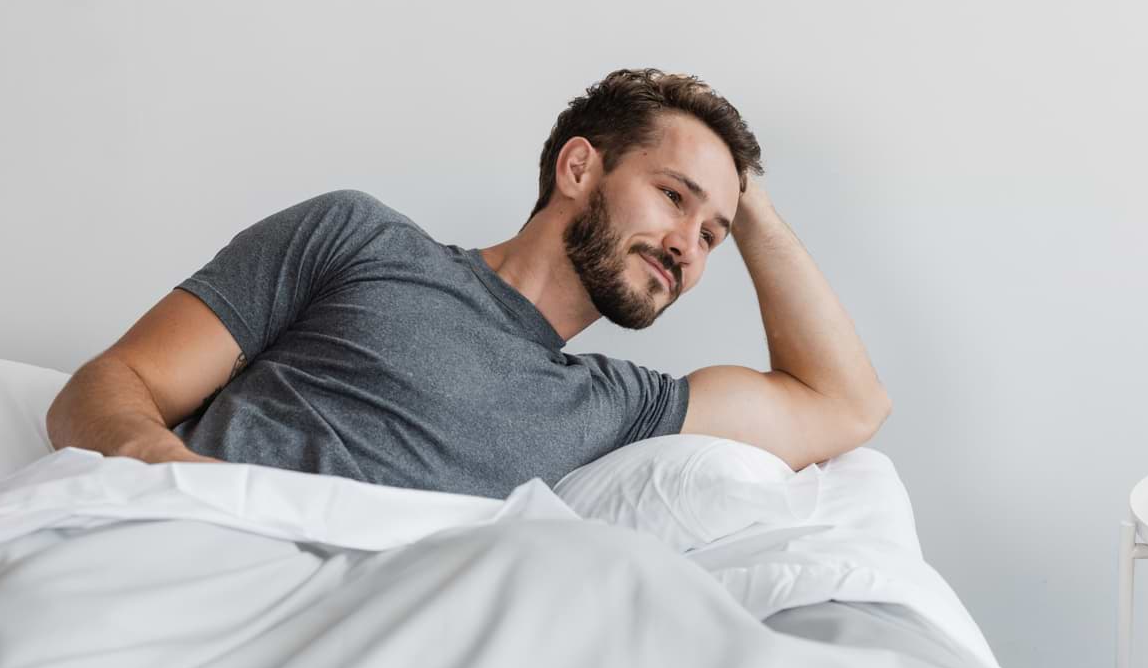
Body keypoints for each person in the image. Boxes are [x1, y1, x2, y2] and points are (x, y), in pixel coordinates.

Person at [47, 68, 891, 498]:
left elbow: (847, 406)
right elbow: (109, 385)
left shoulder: (618, 408)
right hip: (181, 556)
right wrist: (171, 478)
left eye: (712, 235)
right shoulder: (358, 238)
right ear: (577, 167)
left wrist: (756, 212)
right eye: (673, 197)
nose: (687, 249)